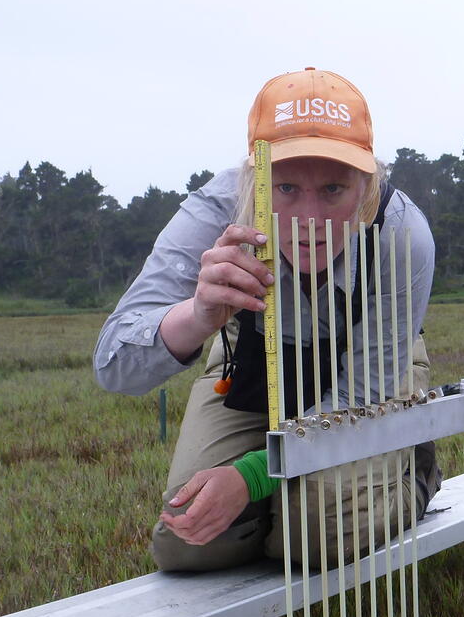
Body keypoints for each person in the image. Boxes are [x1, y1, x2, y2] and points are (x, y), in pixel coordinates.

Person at [95, 68, 438, 572]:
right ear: (254, 176)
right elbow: (114, 365)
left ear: (367, 184)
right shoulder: (214, 212)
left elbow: (363, 394)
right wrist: (198, 315)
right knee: (187, 542)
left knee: (313, 537)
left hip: (370, 374)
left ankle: (413, 469)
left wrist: (251, 477)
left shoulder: (402, 235)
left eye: (334, 189)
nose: (310, 219)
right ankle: (289, 498)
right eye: (286, 187)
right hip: (250, 364)